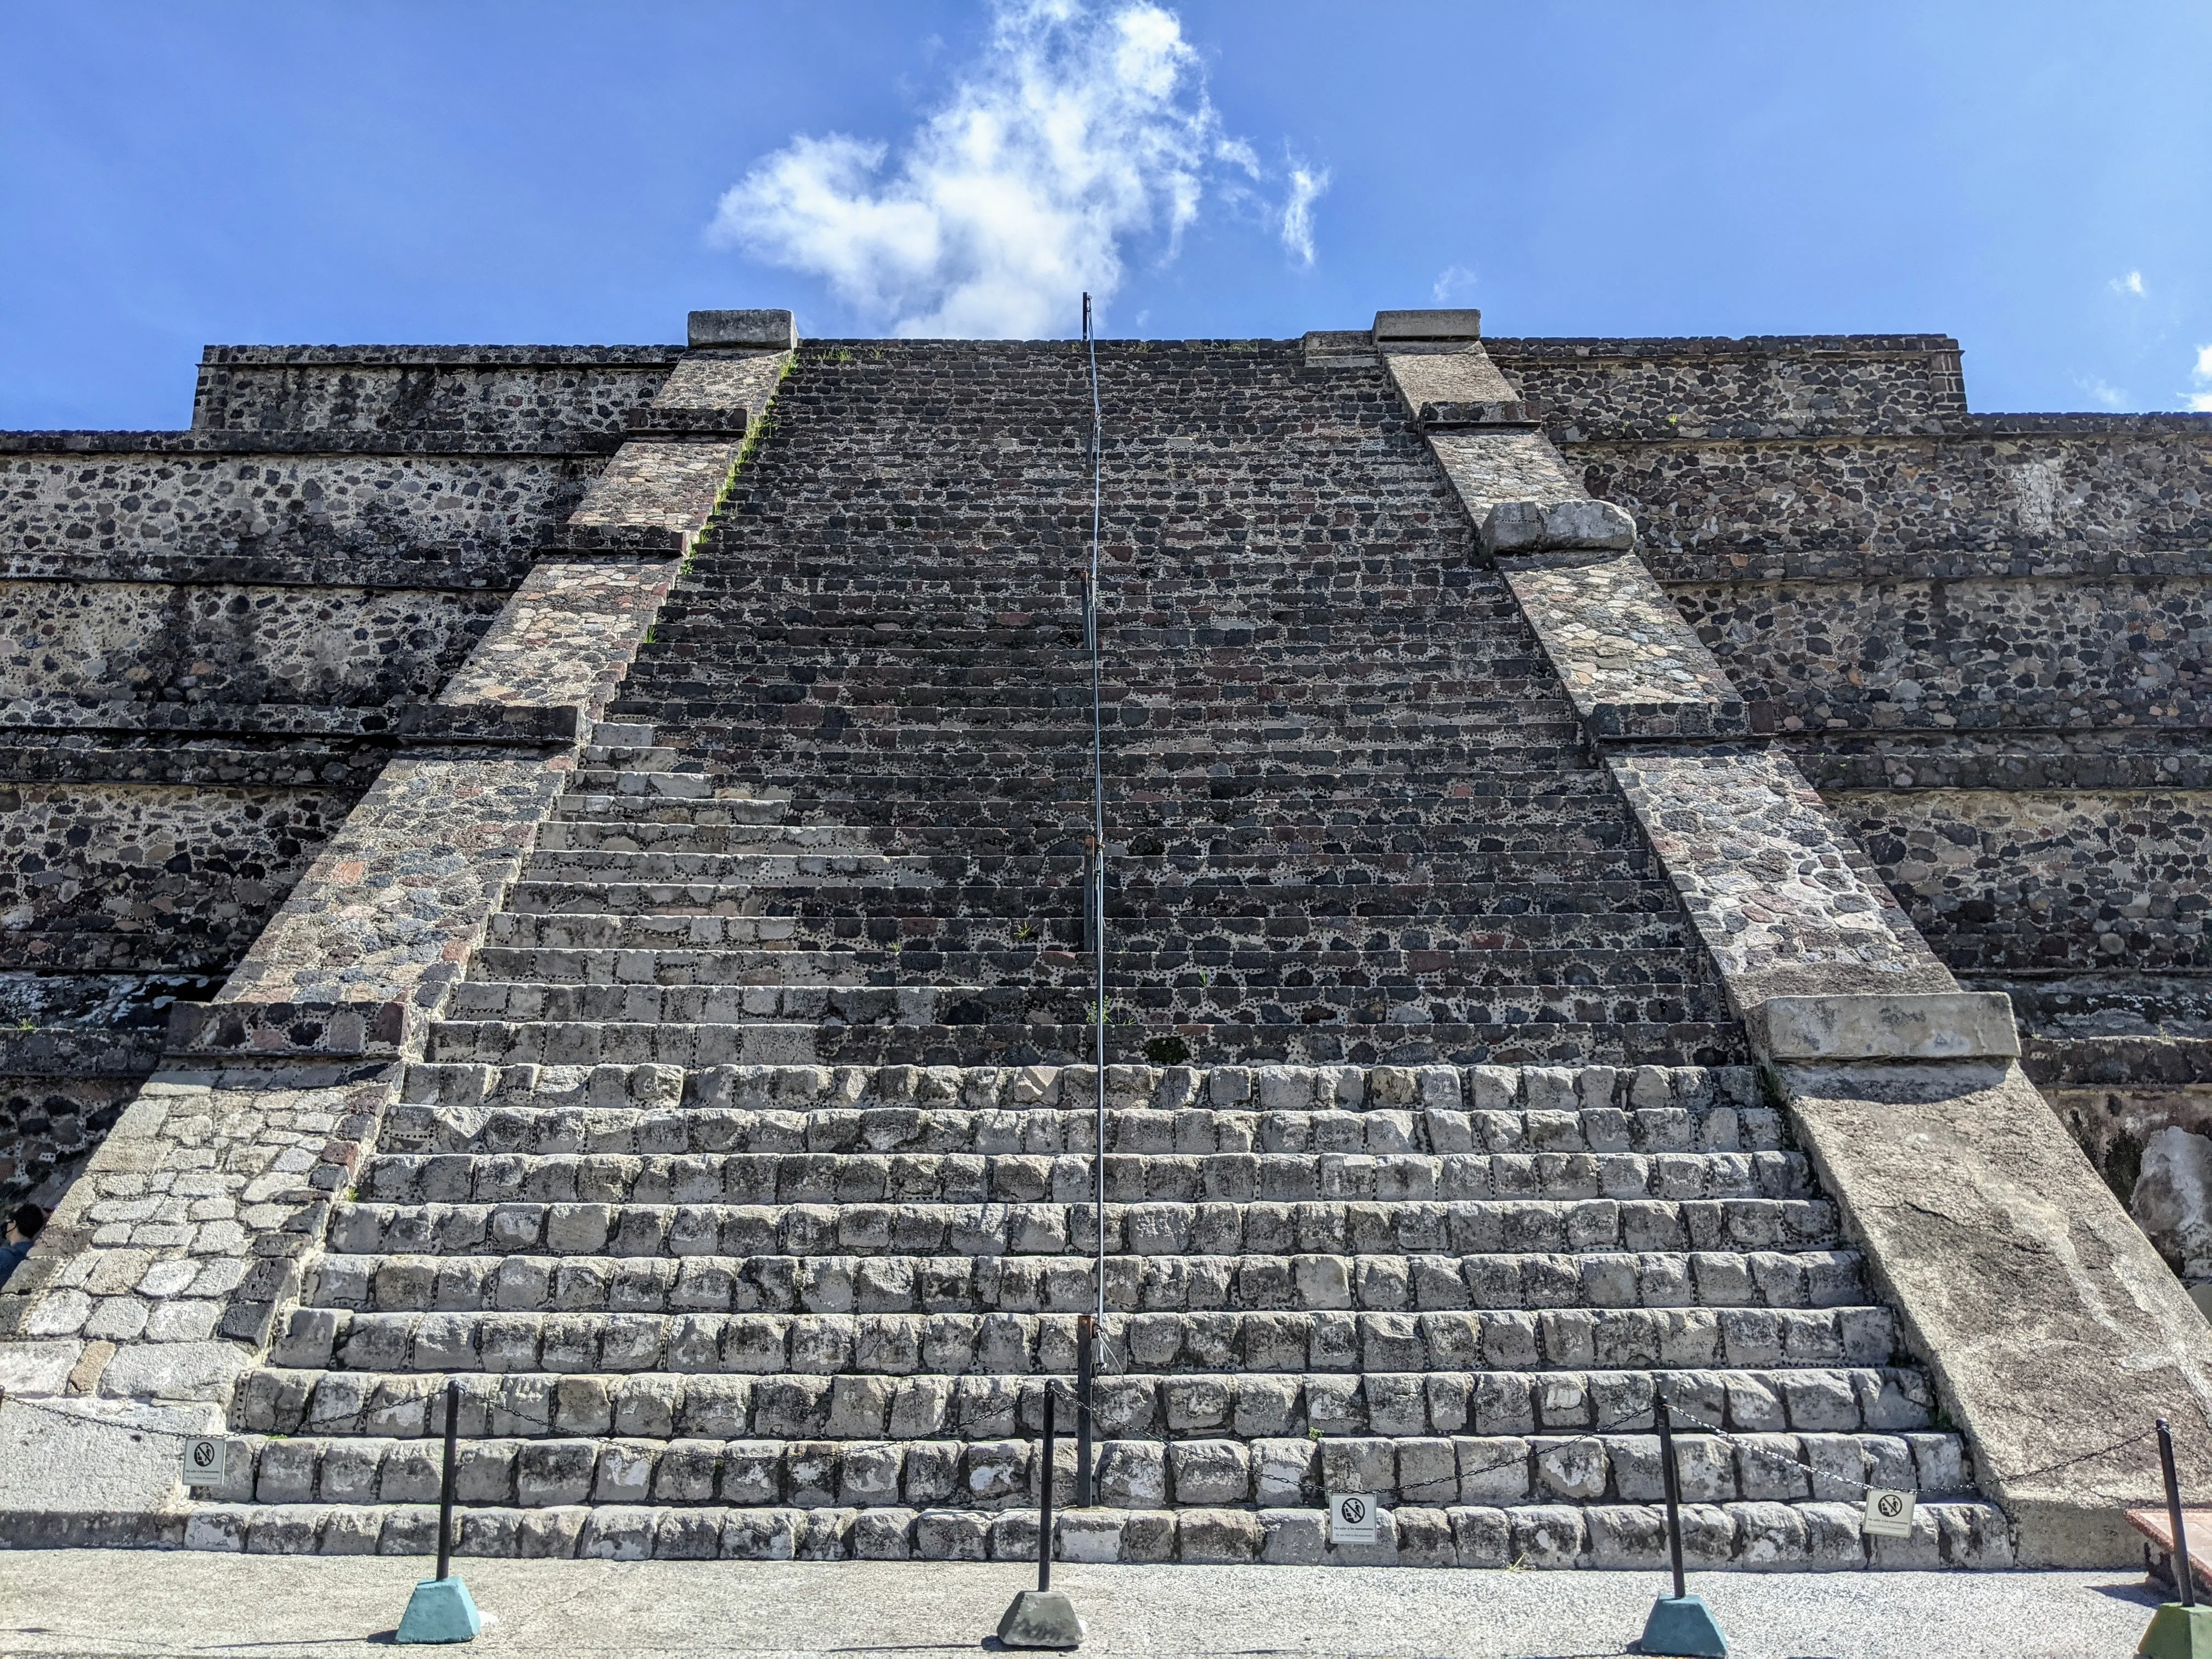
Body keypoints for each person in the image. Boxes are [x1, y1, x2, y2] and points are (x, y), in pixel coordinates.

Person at [0, 1203, 46, 1289]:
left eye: (7, 1221)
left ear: (14, 1224)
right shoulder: (36, 1252)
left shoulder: (4, 1255)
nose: (4, 1224)